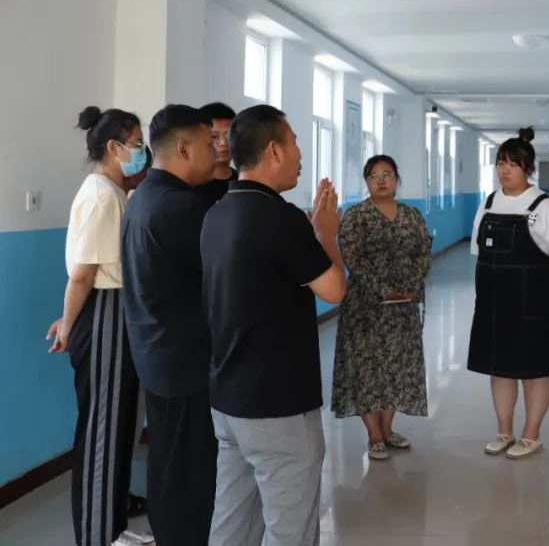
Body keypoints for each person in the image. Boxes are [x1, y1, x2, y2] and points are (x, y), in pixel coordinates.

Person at [201, 105, 347, 546]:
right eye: (295, 142)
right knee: (290, 530)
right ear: (273, 150)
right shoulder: (280, 217)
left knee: (232, 521)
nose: (300, 153)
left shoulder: (218, 212)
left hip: (228, 398)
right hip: (277, 404)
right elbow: (334, 289)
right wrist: (326, 234)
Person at [122, 104, 218, 546]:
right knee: (189, 470)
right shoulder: (181, 208)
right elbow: (223, 277)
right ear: (183, 148)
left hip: (156, 352)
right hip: (184, 359)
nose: (216, 151)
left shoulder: (143, 196)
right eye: (208, 143)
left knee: (168, 460)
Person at [47, 106, 143, 546]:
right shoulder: (103, 195)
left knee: (116, 426)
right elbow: (84, 275)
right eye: (136, 144)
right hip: (105, 313)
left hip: (108, 309)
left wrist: (71, 317)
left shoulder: (113, 191)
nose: (141, 152)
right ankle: (98, 535)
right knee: (104, 429)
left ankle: (113, 525)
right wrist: (69, 323)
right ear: (113, 147)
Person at [468, 127, 549, 459]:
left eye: (512, 164)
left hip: (532, 303)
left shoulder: (544, 205)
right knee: (500, 369)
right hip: (493, 302)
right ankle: (504, 431)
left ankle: (531, 434)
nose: (504, 170)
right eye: (500, 163)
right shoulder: (489, 203)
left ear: (528, 168)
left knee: (534, 371)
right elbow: (478, 251)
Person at [332, 155, 433, 461]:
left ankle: (388, 429)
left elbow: (423, 252)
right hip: (365, 308)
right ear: (366, 182)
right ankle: (374, 435)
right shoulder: (356, 216)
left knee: (396, 367)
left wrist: (411, 286)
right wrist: (382, 289)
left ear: (396, 179)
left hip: (402, 307)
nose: (381, 181)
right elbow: (352, 256)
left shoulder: (412, 216)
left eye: (387, 174)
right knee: (367, 369)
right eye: (374, 176)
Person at [196, 102, 237, 204]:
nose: (223, 143)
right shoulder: (191, 185)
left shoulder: (243, 182)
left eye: (229, 136)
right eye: (214, 137)